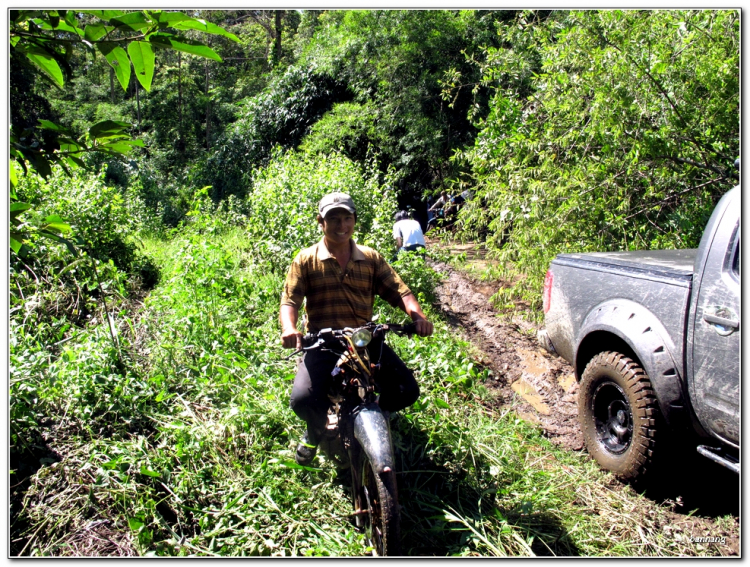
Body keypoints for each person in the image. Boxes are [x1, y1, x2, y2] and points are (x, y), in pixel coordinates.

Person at [280, 192, 434, 465]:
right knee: (303, 400)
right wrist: (289, 329)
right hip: (323, 343)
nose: (341, 225)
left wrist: (417, 316)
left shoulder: (370, 258)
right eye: (334, 219)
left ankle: (375, 415)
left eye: (347, 218)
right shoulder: (306, 260)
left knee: (406, 390)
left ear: (355, 221)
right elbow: (290, 300)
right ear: (321, 222)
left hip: (363, 340)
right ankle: (315, 431)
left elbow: (400, 292)